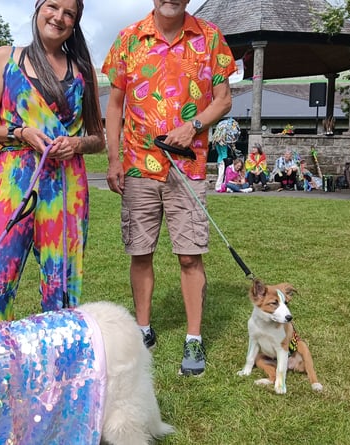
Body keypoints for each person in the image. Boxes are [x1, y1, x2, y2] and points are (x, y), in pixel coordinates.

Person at [102, 0, 235, 376]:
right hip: (139, 167)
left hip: (187, 166)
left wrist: (192, 128)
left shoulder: (211, 38)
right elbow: (114, 107)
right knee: (140, 252)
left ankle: (194, 337)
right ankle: (143, 329)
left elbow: (223, 99)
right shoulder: (128, 39)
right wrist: (114, 160)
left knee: (190, 256)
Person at [0, 0, 104, 321]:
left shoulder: (83, 71)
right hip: (14, 183)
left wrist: (75, 143)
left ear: (75, 22)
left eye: (68, 13)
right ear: (38, 7)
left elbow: (99, 139)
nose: (59, 17)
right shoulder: (7, 58)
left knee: (60, 285)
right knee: (0, 277)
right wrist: (22, 132)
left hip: (66, 188)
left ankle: (57, 362)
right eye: (53, 6)